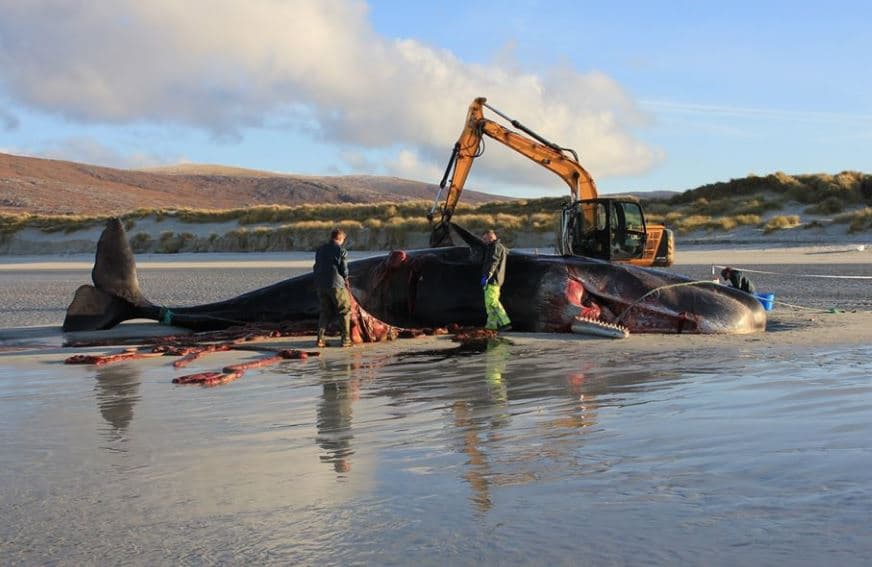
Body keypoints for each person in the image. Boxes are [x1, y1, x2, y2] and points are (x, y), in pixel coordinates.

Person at [314, 228, 352, 347]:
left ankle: (320, 339)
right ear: (340, 239)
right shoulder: (341, 250)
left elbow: (316, 266)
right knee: (344, 310)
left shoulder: (320, 250)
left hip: (320, 284)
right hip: (336, 284)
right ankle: (346, 340)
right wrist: (346, 279)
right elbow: (344, 269)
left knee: (325, 311)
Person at [480, 230, 512, 332]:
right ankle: (491, 326)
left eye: (485, 239)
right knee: (489, 306)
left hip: (493, 280)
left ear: (491, 237)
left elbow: (494, 261)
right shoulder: (495, 247)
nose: (484, 241)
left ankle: (505, 323)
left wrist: (487, 275)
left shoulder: (496, 247)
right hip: (493, 280)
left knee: (492, 303)